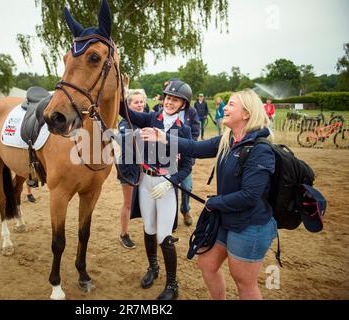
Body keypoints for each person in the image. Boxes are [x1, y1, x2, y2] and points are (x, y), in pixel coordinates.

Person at [140, 88, 277, 300]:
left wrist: (214, 202)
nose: (224, 108)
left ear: (247, 114)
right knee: (207, 263)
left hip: (250, 224)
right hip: (225, 216)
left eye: (231, 104)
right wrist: (164, 137)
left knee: (243, 280)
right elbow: (194, 148)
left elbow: (250, 195)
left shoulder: (260, 149)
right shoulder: (228, 138)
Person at [119, 79, 193, 300]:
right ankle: (153, 267)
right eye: (168, 97)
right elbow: (127, 113)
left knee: (164, 235)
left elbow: (188, 165)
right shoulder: (152, 118)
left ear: (183, 104)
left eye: (175, 99)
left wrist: (171, 181)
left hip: (166, 186)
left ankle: (172, 284)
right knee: (149, 228)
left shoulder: (185, 130)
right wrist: (122, 91)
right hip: (146, 182)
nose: (170, 102)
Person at [117, 90, 147, 249]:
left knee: (147, 201)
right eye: (136, 102)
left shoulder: (147, 118)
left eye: (142, 101)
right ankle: (123, 234)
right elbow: (124, 140)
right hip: (128, 166)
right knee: (128, 203)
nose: (140, 105)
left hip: (145, 166)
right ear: (128, 105)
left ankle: (151, 231)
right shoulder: (124, 122)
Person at [178, 98, 199, 227]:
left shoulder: (191, 111)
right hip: (169, 158)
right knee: (171, 188)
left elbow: (195, 132)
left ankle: (185, 210)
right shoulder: (163, 110)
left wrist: (189, 147)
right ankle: (170, 215)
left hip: (186, 156)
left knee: (187, 187)